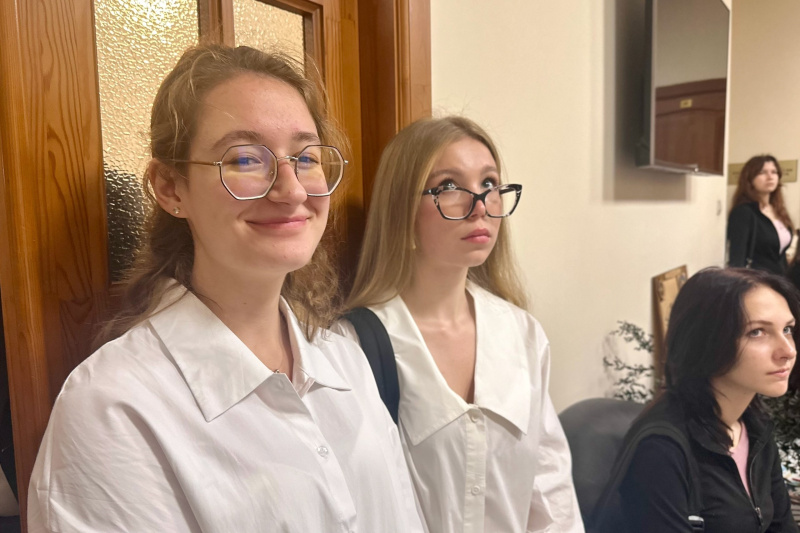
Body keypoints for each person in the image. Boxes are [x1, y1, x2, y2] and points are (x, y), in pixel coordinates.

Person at [27, 44, 424, 532]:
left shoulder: (345, 360)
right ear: (171, 188)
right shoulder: (114, 409)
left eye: (305, 157)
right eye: (245, 159)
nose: (292, 190)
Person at [333, 116, 584, 532]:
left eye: (489, 184)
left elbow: (551, 493)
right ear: (401, 208)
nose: (480, 205)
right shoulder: (352, 345)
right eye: (449, 186)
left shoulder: (522, 334)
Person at [617, 267, 799, 533]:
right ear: (706, 340)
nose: (788, 350)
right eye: (757, 332)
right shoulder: (661, 450)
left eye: (788, 329)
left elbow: (781, 526)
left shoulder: (753, 426)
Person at [728, 155, 794, 274]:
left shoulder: (777, 209)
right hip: (757, 279)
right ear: (749, 179)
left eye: (774, 172)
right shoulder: (743, 212)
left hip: (780, 278)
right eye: (762, 172)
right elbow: (737, 258)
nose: (770, 177)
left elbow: (779, 255)